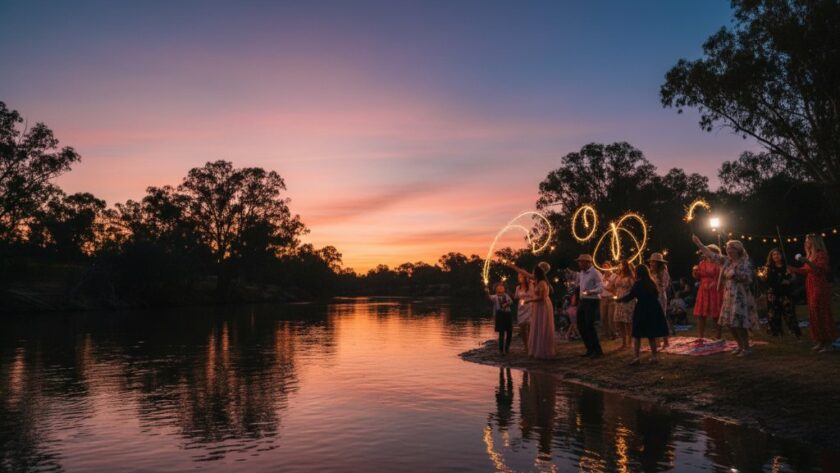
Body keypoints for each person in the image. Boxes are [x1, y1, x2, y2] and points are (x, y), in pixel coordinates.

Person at [692, 235, 759, 356]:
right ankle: (739, 346)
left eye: (730, 248)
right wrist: (699, 243)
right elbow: (712, 255)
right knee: (729, 322)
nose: (728, 250)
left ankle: (746, 348)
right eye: (727, 248)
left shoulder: (745, 262)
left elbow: (749, 279)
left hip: (740, 295)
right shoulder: (727, 261)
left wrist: (735, 274)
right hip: (728, 294)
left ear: (737, 249)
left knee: (738, 322)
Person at [789, 234, 836, 352]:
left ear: (814, 241)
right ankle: (820, 341)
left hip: (819, 285)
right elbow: (806, 270)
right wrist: (793, 269)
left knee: (821, 311)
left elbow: (819, 270)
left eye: (808, 240)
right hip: (810, 285)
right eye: (805, 240)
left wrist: (807, 262)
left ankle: (828, 343)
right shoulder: (810, 255)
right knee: (813, 313)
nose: (806, 242)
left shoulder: (821, 254)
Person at [617, 265, 670, 365]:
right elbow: (656, 294)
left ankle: (637, 358)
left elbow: (631, 296)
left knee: (637, 334)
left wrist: (619, 300)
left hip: (641, 309)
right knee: (651, 335)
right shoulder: (651, 283)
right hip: (653, 308)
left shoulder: (638, 284)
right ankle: (654, 357)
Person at [762, 248, 800, 338]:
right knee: (774, 314)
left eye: (778, 254)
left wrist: (791, 279)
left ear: (782, 255)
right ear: (771, 257)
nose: (776, 256)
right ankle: (775, 332)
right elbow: (767, 280)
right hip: (773, 294)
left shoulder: (787, 267)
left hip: (786, 293)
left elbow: (794, 279)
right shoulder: (768, 268)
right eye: (774, 254)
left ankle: (794, 331)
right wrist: (781, 281)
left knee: (789, 312)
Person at [523, 265, 556, 359]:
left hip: (543, 306)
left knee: (543, 326)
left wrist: (529, 301)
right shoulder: (537, 282)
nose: (532, 274)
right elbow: (526, 274)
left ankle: (543, 351)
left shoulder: (542, 283)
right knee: (537, 326)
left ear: (537, 273)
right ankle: (535, 349)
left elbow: (542, 298)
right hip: (538, 307)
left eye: (533, 272)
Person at [692, 245, 724, 340]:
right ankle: (700, 336)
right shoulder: (702, 263)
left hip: (715, 289)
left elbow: (721, 276)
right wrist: (695, 271)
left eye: (708, 251)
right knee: (701, 314)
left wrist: (715, 283)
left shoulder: (719, 263)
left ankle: (718, 335)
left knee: (716, 313)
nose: (705, 253)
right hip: (703, 289)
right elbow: (697, 276)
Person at [575, 254, 604, 358]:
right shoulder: (581, 273)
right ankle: (589, 349)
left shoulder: (595, 273)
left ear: (588, 262)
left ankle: (597, 350)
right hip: (583, 301)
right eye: (579, 262)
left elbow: (601, 288)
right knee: (581, 325)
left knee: (589, 325)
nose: (579, 264)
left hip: (592, 301)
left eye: (581, 262)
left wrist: (590, 292)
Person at [647, 253, 672, 347]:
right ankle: (657, 341)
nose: (651, 263)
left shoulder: (663, 272)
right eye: (651, 261)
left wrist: (656, 286)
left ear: (658, 263)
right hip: (652, 296)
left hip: (660, 296)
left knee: (661, 317)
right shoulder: (650, 272)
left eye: (653, 262)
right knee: (653, 318)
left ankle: (666, 341)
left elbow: (664, 285)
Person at [612, 260, 636, 350]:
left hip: (627, 301)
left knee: (627, 322)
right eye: (619, 265)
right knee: (620, 322)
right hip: (618, 300)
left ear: (625, 266)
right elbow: (613, 286)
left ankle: (630, 342)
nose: (619, 266)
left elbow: (634, 288)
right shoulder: (618, 276)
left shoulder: (630, 276)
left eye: (621, 265)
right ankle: (623, 342)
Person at [486, 282, 513, 354]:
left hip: (507, 314)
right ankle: (501, 350)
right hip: (500, 315)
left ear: (504, 289)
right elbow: (489, 297)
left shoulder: (506, 295)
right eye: (499, 287)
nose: (500, 287)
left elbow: (511, 302)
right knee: (501, 333)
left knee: (509, 332)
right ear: (496, 289)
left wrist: (506, 304)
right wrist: (487, 291)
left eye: (502, 287)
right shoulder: (495, 297)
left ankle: (507, 348)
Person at [514, 273, 534, 353]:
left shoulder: (531, 285)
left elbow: (534, 295)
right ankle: (525, 345)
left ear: (525, 277)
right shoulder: (518, 287)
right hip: (521, 308)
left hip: (530, 306)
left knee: (529, 327)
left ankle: (530, 345)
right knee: (522, 328)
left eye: (521, 276)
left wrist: (528, 300)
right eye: (518, 276)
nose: (519, 278)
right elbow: (516, 297)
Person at [599, 261, 617, 340]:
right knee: (603, 317)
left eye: (606, 266)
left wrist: (608, 282)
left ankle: (613, 334)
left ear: (610, 267)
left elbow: (614, 288)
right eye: (603, 267)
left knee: (611, 317)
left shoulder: (614, 276)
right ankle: (606, 334)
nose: (605, 268)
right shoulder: (602, 277)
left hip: (611, 298)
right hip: (603, 298)